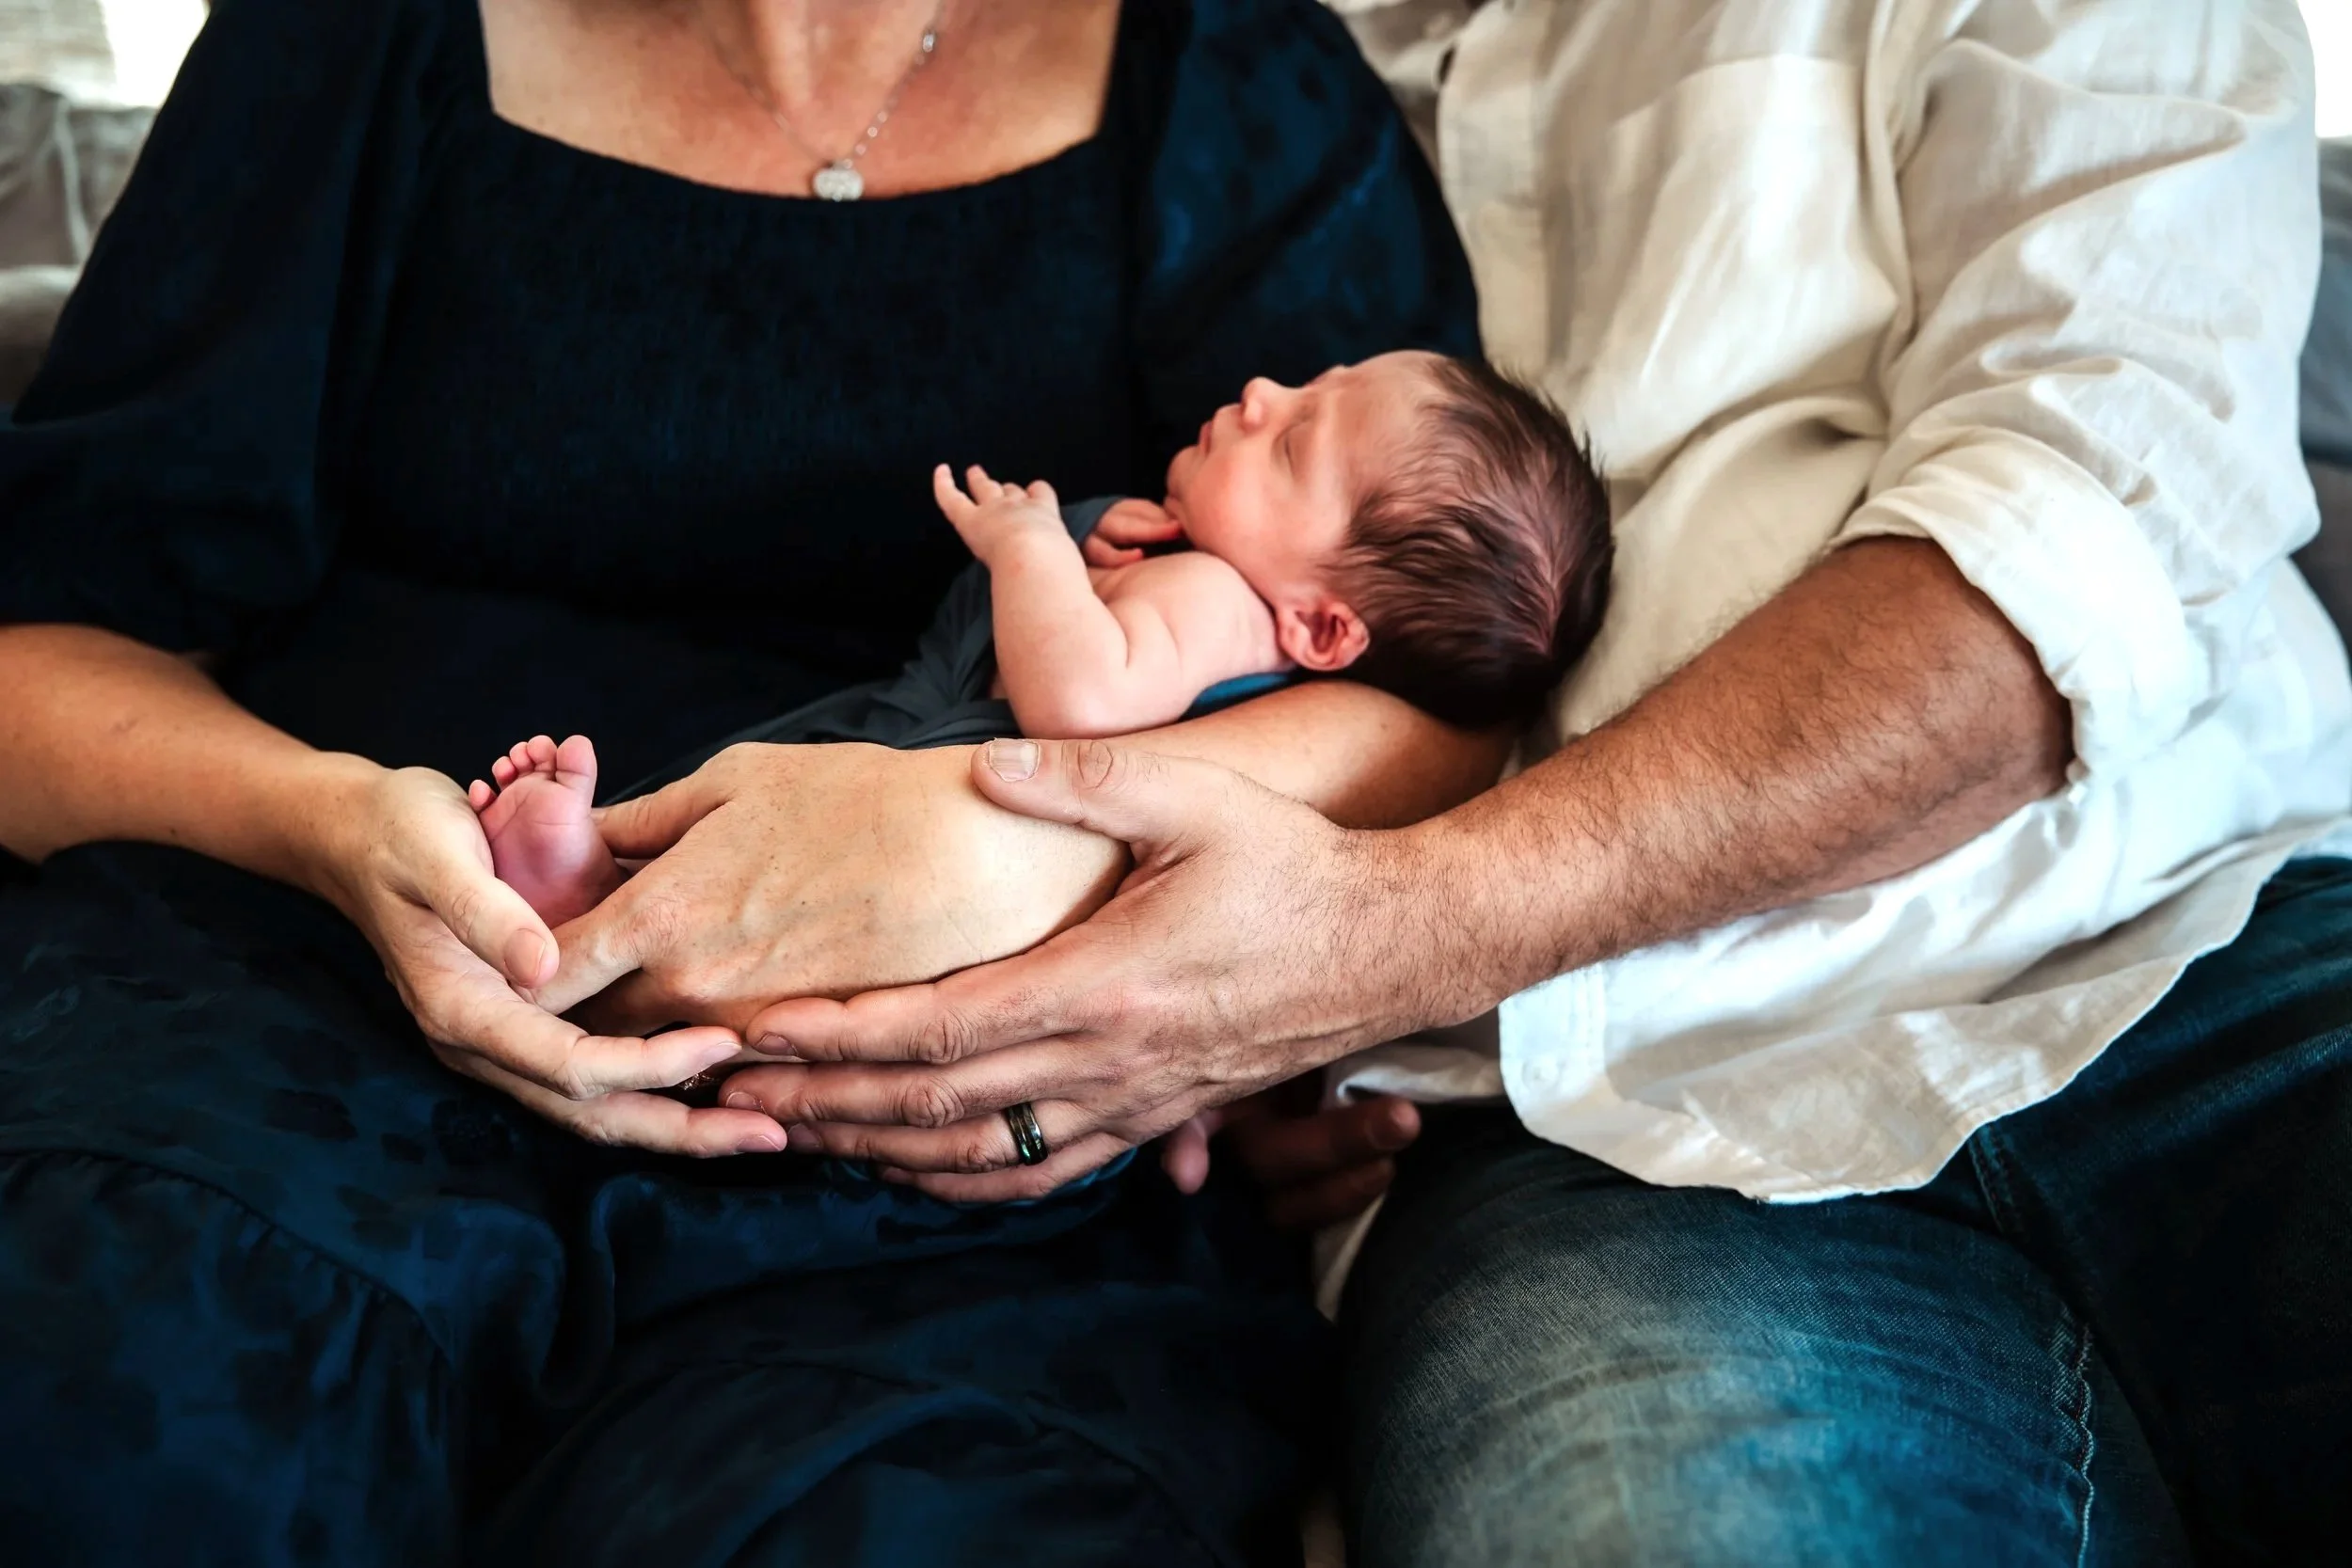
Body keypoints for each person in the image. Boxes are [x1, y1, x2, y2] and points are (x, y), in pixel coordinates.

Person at [706, 1, 2352, 1560]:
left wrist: (1366, 946)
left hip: (2206, 948)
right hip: (1592, 1129)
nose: (1271, 407)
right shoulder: (1258, 66)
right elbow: (1235, 669)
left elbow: (2074, 531)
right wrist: (1256, 1016)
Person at [0, 0, 1493, 1560]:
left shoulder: (1229, 76)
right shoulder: (355, 39)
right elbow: (42, 649)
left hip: (929, 1157)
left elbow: (1445, 688)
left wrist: (1053, 856)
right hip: (304, 1019)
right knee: (114, 1429)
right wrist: (328, 826)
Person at [473, 351, 1608, 924]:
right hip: (923, 791)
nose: (1264, 388)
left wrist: (1032, 548)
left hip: (930, 785)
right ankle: (590, 886)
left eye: (1295, 442)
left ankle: (585, 887)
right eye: (1310, 381)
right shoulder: (1205, 576)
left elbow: (1081, 703)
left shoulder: (1219, 598)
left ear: (1316, 626)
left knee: (760, 866)